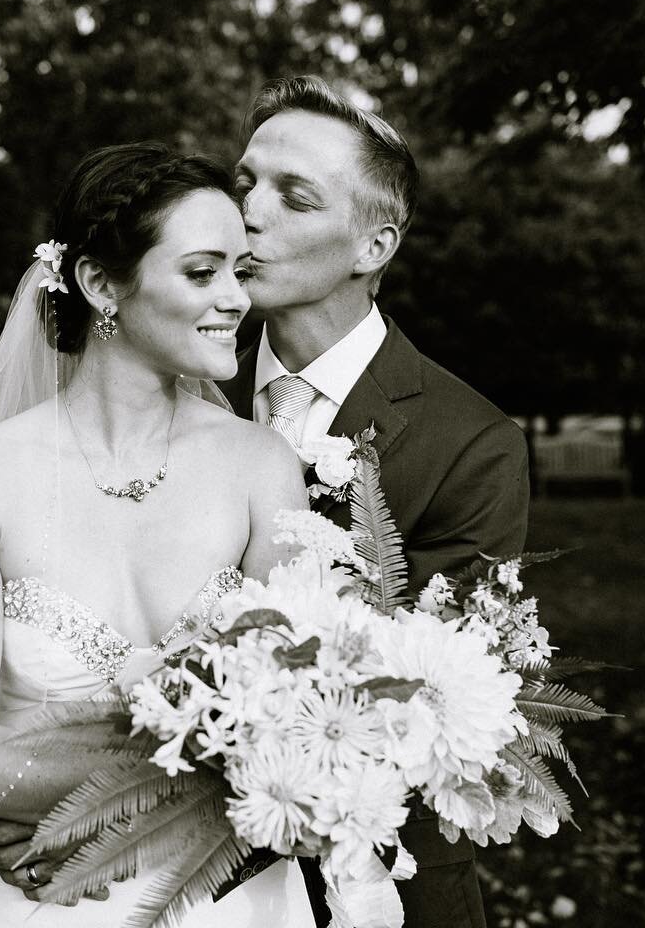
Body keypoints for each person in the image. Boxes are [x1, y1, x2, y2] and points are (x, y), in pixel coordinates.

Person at [0, 142, 316, 927]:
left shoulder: (261, 465)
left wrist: (88, 798)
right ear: (101, 284)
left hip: (236, 899)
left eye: (241, 271)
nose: (236, 298)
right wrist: (210, 766)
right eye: (203, 272)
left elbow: (303, 727)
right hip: (57, 904)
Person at [220, 75, 530, 927]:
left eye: (294, 196)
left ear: (372, 246)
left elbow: (434, 712)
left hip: (379, 884)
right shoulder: (173, 392)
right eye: (244, 181)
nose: (247, 210)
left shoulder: (473, 443)